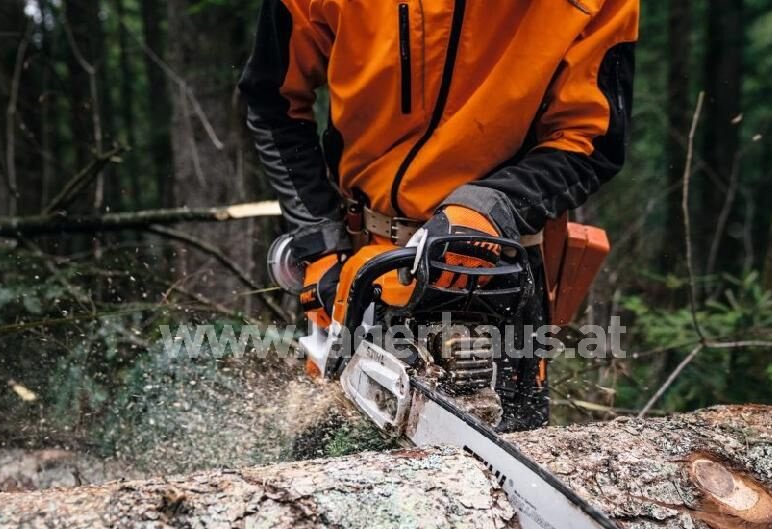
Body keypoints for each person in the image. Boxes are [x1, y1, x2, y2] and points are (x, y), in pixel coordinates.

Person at [239, 0, 638, 432]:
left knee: (501, 468)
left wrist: (491, 207)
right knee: (322, 464)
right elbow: (272, 98)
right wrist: (319, 238)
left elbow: (591, 139)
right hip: (361, 256)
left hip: (494, 266)